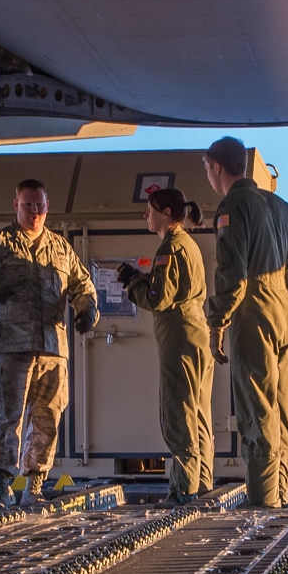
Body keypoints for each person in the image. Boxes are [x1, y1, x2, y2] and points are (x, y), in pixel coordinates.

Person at [0, 179, 97, 507]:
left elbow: (83, 284)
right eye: (28, 205)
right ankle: (1, 487)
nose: (35, 212)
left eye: (40, 206)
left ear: (47, 206)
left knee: (48, 417)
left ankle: (34, 486)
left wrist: (86, 310)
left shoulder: (61, 248)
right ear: (16, 205)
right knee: (6, 418)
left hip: (52, 349)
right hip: (10, 347)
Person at [201, 136, 288, 507]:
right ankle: (280, 494)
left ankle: (264, 504)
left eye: (207, 169)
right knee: (279, 413)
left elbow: (233, 275)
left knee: (257, 413)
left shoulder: (233, 205)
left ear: (215, 166)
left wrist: (217, 323)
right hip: (283, 315)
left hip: (253, 315)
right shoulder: (280, 206)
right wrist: (283, 303)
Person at [117, 188, 214, 503]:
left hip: (179, 335)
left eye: (151, 209)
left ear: (168, 214)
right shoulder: (188, 244)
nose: (146, 215)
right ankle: (201, 484)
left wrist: (133, 282)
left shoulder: (169, 248)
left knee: (179, 410)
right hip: (196, 333)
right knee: (198, 411)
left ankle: (184, 489)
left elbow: (158, 299)